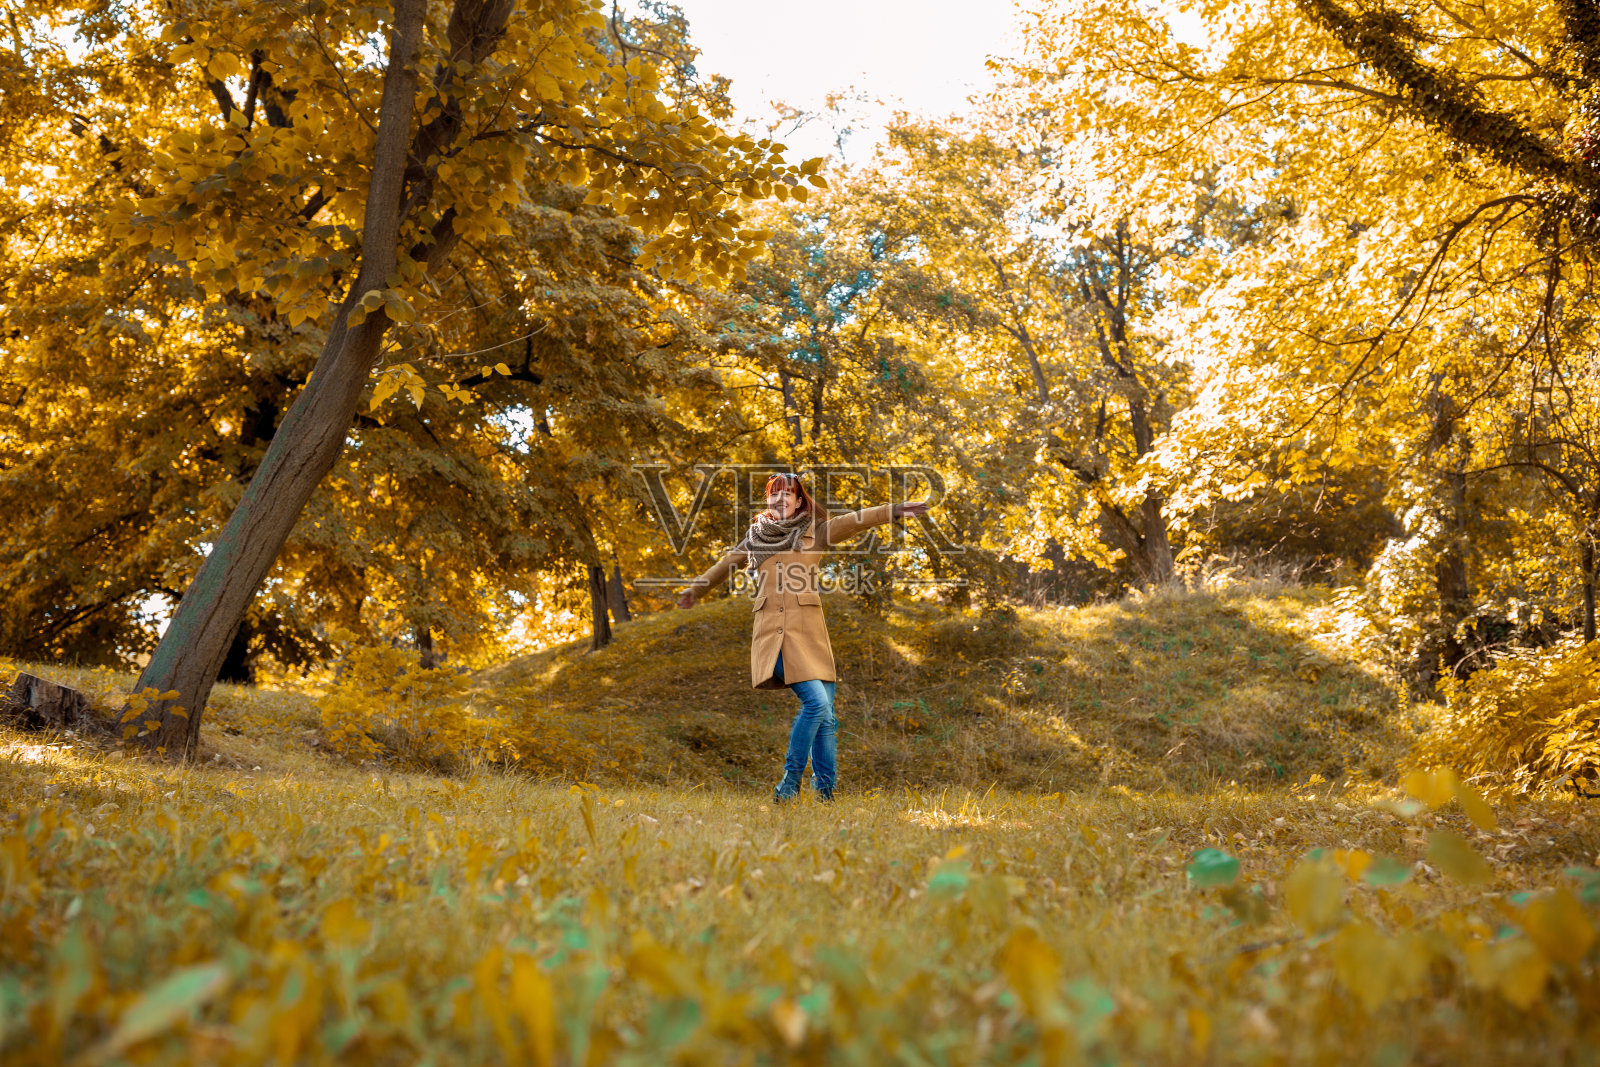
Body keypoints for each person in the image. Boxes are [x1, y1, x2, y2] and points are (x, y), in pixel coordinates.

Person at [675, 473, 931, 802]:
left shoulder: (816, 532)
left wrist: (891, 510)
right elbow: (726, 563)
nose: (780, 499)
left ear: (799, 502)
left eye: (788, 494)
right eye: (774, 494)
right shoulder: (755, 537)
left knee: (827, 718)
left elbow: (854, 521)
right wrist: (695, 590)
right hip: (774, 633)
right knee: (816, 704)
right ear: (769, 500)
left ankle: (825, 793)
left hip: (811, 633)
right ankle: (790, 782)